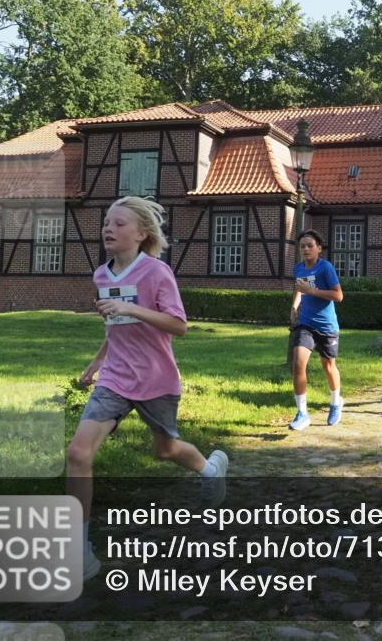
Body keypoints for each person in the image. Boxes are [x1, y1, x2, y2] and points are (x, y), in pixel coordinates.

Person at [68, 196, 227, 581]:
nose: (109, 228)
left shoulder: (156, 273)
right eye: (107, 222)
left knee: (165, 450)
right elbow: (114, 326)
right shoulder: (102, 275)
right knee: (77, 453)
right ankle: (78, 548)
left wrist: (133, 309)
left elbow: (179, 325)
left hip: (156, 379)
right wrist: (97, 360)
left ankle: (211, 470)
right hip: (116, 378)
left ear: (141, 234)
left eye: (119, 223)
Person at [289, 230, 344, 431]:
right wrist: (294, 306)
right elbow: (298, 288)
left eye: (310, 245)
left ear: (319, 248)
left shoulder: (325, 268)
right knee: (298, 364)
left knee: (328, 367)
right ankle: (302, 413)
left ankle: (336, 402)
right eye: (302, 245)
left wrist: (312, 291)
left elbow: (339, 296)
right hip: (306, 324)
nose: (305, 249)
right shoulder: (298, 269)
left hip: (327, 326)